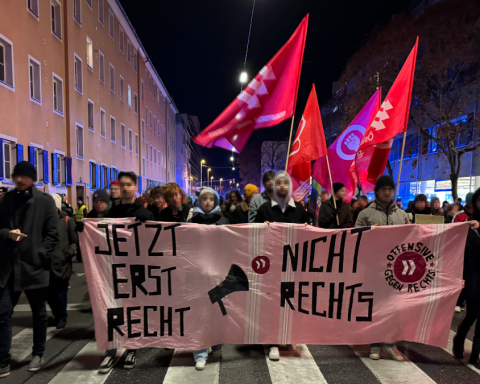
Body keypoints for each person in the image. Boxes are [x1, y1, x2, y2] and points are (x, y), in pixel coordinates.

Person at [0, 161, 59, 376]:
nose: (18, 180)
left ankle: (39, 352)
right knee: (3, 313)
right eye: (16, 176)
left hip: (34, 267)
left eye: (23, 176)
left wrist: (39, 254)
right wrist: (7, 233)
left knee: (39, 314)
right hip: (9, 269)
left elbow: (53, 234)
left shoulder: (44, 202)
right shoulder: (5, 200)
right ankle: (3, 360)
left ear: (32, 178)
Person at [100, 172, 154, 372]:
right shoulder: (109, 214)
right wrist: (83, 229)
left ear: (135, 187)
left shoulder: (145, 214)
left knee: (134, 311)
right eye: (121, 185)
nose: (124, 188)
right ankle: (110, 351)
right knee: (112, 310)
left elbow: (154, 243)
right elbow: (98, 235)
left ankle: (132, 349)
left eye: (128, 185)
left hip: (136, 269)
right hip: (114, 268)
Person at [355, 175, 409, 361]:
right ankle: (375, 344)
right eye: (383, 189)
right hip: (374, 269)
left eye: (389, 189)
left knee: (394, 308)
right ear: (377, 191)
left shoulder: (401, 215)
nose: (387, 192)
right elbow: (355, 239)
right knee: (376, 307)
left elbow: (410, 240)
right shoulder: (365, 214)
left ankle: (390, 343)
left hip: (396, 271)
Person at [255, 171, 307, 360]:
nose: (282, 187)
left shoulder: (300, 210)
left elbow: (308, 236)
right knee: (272, 304)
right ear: (274, 187)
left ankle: (287, 335)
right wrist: (262, 229)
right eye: (279, 184)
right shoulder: (264, 210)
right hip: (272, 266)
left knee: (290, 302)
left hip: (293, 265)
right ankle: (273, 342)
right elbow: (254, 239)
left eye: (286, 183)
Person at [188, 187, 228, 370]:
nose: (207, 202)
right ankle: (200, 352)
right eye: (204, 198)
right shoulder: (191, 222)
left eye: (211, 199)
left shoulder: (223, 221)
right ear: (199, 201)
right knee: (198, 315)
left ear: (216, 202)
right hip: (197, 276)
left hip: (217, 274)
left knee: (217, 313)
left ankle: (217, 345)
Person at [452, 188, 480, 366]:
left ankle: (476, 353)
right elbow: (461, 250)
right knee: (473, 312)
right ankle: (459, 337)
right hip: (474, 274)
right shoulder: (468, 223)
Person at [48, 194, 77, 330]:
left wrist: (69, 253)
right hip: (46, 263)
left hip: (62, 263)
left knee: (60, 293)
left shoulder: (67, 220)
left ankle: (62, 317)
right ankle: (56, 315)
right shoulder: (43, 221)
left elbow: (75, 241)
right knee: (49, 294)